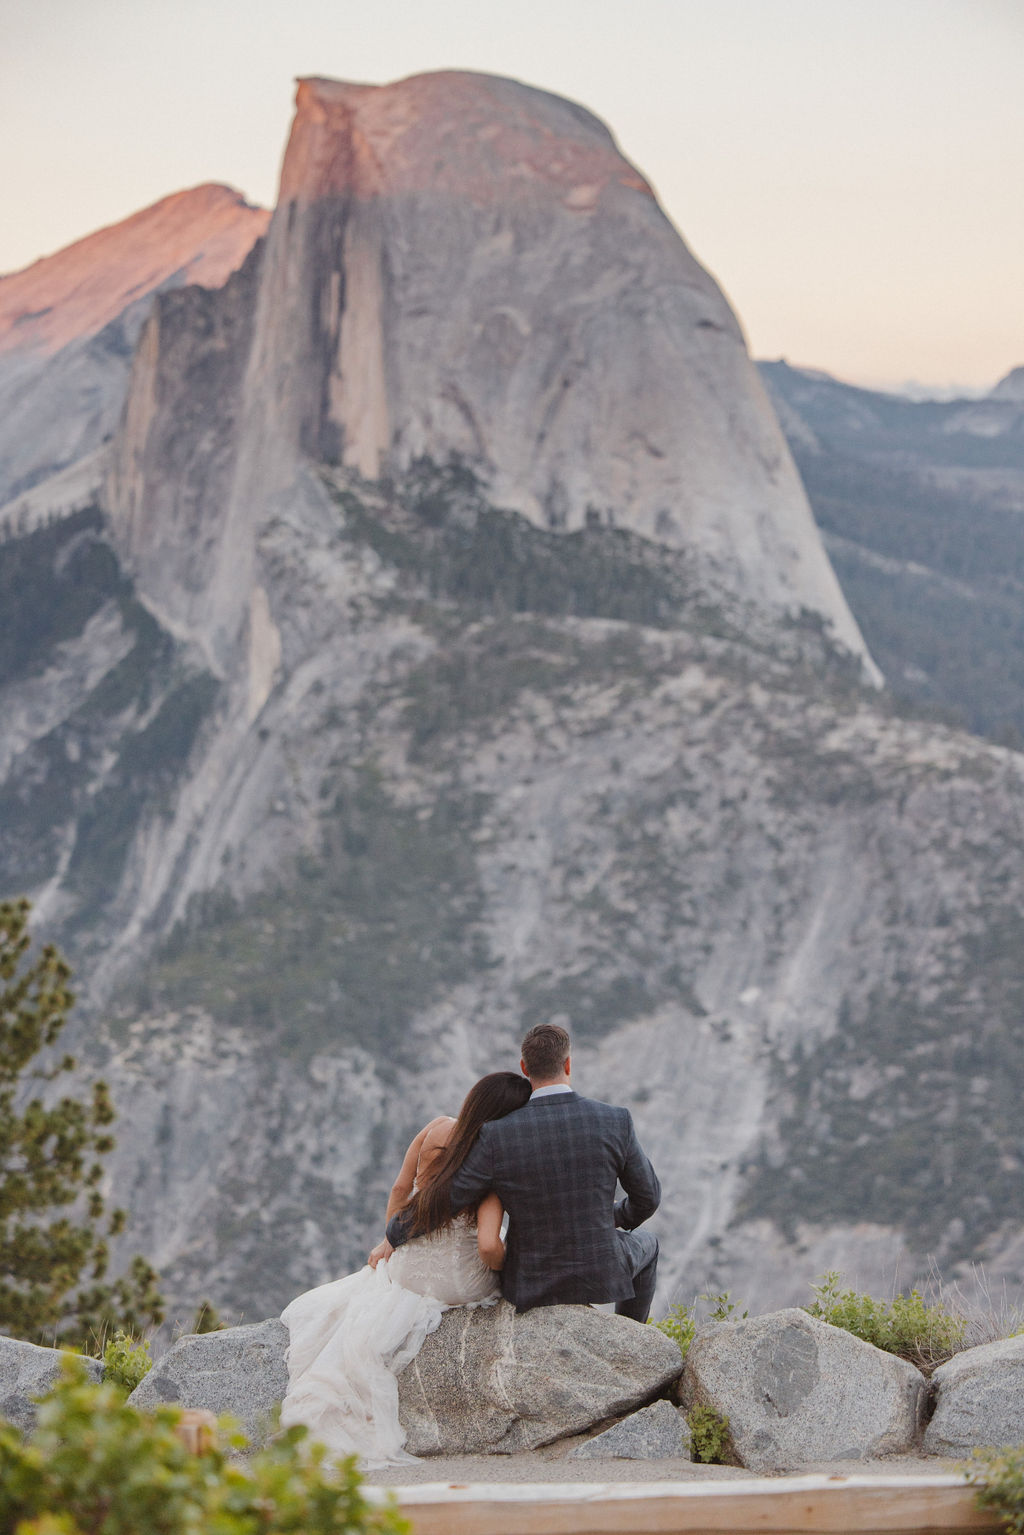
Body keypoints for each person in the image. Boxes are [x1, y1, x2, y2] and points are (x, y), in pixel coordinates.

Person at [280, 1071, 531, 1465]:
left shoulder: (435, 1130)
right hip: (462, 1282)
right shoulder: (494, 1157)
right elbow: (487, 1245)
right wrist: (508, 1267)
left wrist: (391, 1243)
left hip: (408, 1268)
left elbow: (400, 1190)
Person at [388, 1023, 661, 1321]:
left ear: (524, 1067)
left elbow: (451, 1196)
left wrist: (394, 1234)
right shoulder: (614, 1120)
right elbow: (647, 1198)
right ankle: (631, 1335)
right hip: (600, 1268)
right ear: (568, 1063)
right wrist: (611, 1217)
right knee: (649, 1243)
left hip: (531, 1282)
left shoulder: (497, 1135)